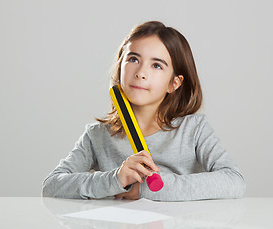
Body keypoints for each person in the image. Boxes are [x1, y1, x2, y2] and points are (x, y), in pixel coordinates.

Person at [42, 21, 246, 201]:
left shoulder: (194, 129)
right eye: (133, 59)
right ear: (120, 65)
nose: (140, 73)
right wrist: (115, 179)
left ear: (174, 83)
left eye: (156, 65)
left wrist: (146, 190)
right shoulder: (97, 135)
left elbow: (234, 181)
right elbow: (52, 185)